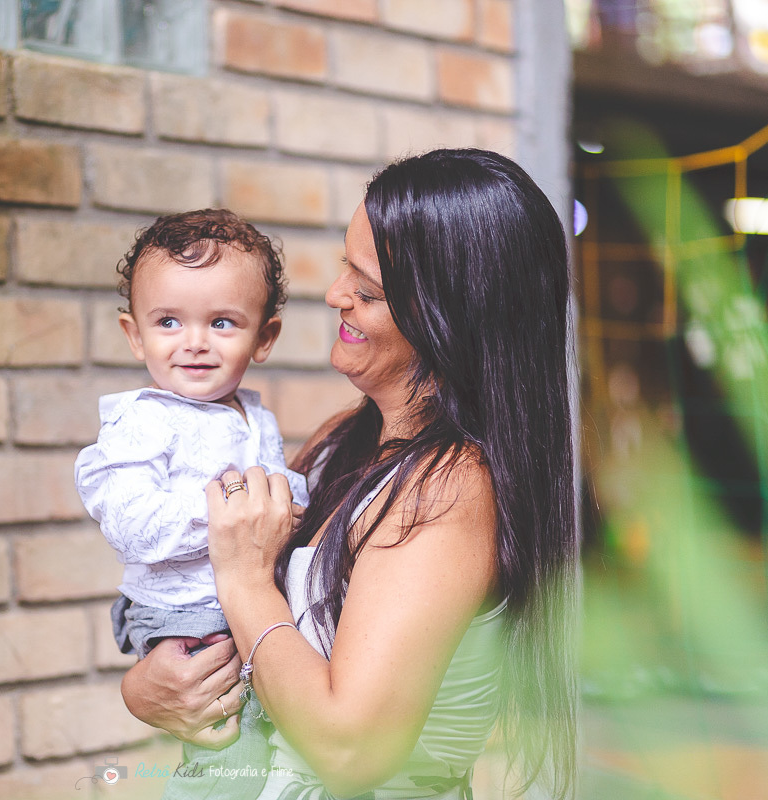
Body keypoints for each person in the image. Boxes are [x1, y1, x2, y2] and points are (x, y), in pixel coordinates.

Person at [120, 149, 578, 800]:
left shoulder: (448, 487)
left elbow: (349, 745)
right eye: (345, 267)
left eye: (366, 290)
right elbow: (263, 656)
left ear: (445, 317)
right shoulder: (350, 443)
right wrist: (153, 686)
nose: (336, 295)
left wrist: (245, 580)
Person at [75, 208, 311, 800]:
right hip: (187, 613)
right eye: (169, 321)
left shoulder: (254, 416)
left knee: (270, 732)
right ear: (135, 335)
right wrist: (236, 514)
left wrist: (284, 500)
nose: (196, 343)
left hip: (245, 602)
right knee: (228, 747)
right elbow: (132, 525)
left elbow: (283, 488)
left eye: (224, 322)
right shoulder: (143, 422)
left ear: (265, 337)